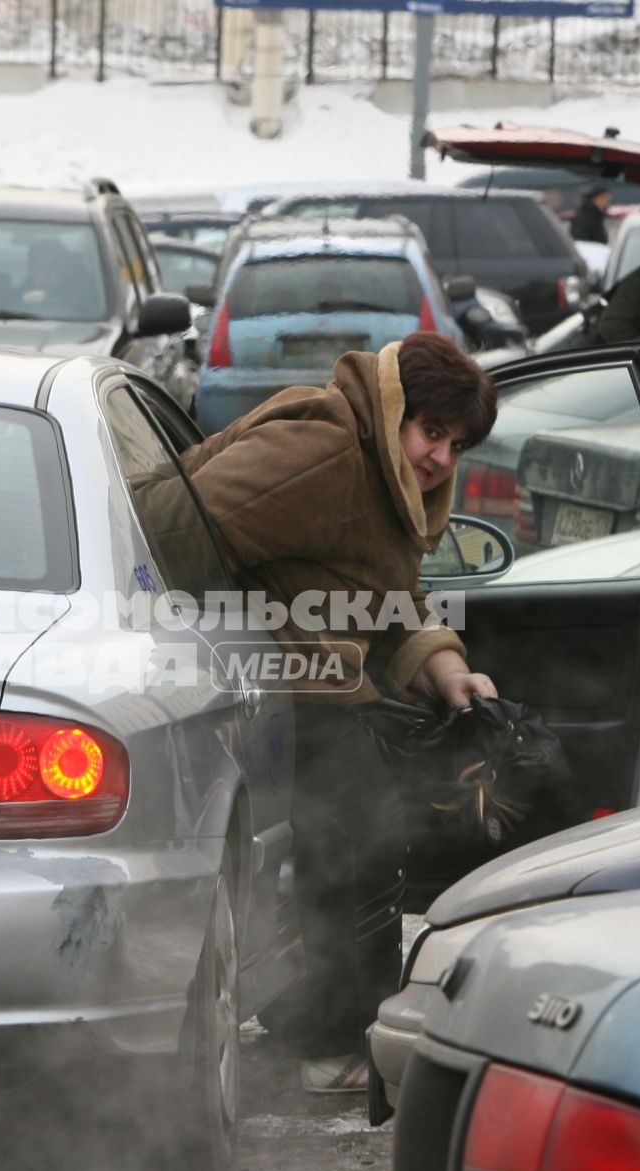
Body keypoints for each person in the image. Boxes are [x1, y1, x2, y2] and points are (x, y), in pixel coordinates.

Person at [133, 333, 499, 1094]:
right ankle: (340, 1040)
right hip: (262, 690)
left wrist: (446, 666)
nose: (438, 458)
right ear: (398, 408)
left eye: (455, 444)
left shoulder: (379, 472)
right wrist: (249, 624)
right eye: (432, 431)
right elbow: (164, 530)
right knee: (357, 831)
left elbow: (383, 585)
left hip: (313, 690)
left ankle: (327, 1027)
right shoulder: (326, 453)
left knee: (363, 832)